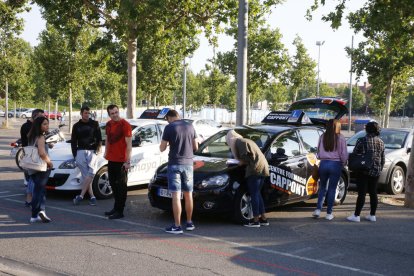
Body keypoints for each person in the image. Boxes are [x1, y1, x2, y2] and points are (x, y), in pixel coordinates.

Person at [160, 109, 198, 234]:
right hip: (188, 164)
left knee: (176, 195)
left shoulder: (169, 127)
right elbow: (195, 147)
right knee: (188, 194)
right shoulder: (190, 126)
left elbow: (162, 148)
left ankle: (177, 226)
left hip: (175, 163)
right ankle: (189, 222)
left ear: (169, 118)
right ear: (178, 116)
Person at [226, 130, 270, 227]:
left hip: (255, 169)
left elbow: (246, 159)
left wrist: (239, 162)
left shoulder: (240, 143)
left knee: (254, 194)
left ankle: (255, 221)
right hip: (263, 168)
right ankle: (264, 219)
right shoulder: (245, 140)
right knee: (257, 194)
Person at [347, 122, 385, 222]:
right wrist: (379, 169)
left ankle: (356, 215)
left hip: (363, 170)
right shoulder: (381, 142)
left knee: (362, 193)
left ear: (367, 129)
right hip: (376, 171)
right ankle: (372, 215)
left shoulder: (362, 140)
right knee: (373, 193)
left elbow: (355, 154)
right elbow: (382, 159)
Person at [312, 119, 348, 221]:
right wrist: (343, 163)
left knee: (322, 187)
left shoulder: (322, 136)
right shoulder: (340, 138)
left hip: (323, 164)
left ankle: (318, 210)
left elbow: (318, 152)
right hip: (336, 164)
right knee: (332, 189)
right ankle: (329, 213)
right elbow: (344, 154)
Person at [103, 104, 132, 219]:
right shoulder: (108, 124)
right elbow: (107, 140)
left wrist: (127, 161)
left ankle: (120, 211)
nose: (115, 115)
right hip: (111, 159)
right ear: (109, 114)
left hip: (121, 161)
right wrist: (106, 152)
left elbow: (129, 145)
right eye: (112, 113)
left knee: (121, 187)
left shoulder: (125, 125)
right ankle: (115, 208)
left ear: (118, 111)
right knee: (113, 185)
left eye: (116, 112)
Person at [71, 106, 102, 206]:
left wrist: (98, 149)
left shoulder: (94, 124)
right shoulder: (76, 126)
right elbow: (73, 141)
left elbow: (99, 138)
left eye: (88, 113)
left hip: (92, 151)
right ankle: (92, 197)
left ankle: (81, 196)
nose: (87, 115)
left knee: (91, 172)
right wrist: (75, 154)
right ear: (81, 113)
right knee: (86, 176)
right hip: (80, 151)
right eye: (85, 113)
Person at [27, 117, 53, 223]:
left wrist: (47, 145)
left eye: (47, 124)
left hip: (32, 167)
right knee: (39, 191)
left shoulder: (31, 135)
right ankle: (34, 214)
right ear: (39, 125)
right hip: (41, 167)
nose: (47, 126)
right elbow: (42, 153)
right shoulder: (40, 136)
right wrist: (49, 163)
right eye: (45, 124)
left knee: (40, 190)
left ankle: (41, 211)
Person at [20, 109, 44, 207]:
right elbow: (31, 139)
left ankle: (30, 199)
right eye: (40, 117)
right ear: (34, 116)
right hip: (31, 155)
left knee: (32, 178)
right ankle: (30, 199)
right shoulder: (28, 127)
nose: (42, 119)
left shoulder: (31, 126)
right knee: (32, 178)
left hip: (30, 154)